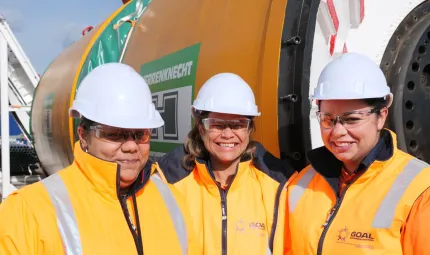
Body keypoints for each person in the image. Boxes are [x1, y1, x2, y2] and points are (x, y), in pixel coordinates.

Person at [0, 63, 199, 255]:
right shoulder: (28, 211)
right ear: (83, 136)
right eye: (114, 134)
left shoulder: (172, 201)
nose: (131, 146)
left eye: (140, 134)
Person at [283, 53, 430, 254]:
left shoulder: (420, 188)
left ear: (381, 117)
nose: (337, 132)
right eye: (327, 119)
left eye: (351, 119)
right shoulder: (302, 183)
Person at [152, 73, 295, 255]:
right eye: (217, 125)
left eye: (237, 125)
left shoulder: (279, 186)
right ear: (201, 128)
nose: (227, 134)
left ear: (249, 129)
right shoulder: (169, 182)